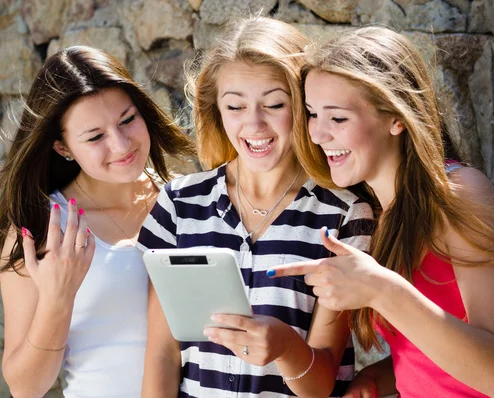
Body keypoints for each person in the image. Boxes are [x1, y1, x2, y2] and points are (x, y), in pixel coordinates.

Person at [269, 27, 494, 397]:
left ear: (396, 118)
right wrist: (378, 377)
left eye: (338, 119)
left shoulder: (458, 193)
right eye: (312, 114)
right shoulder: (376, 212)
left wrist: (381, 289)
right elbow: (436, 351)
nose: (317, 134)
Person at [138, 16, 374, 398]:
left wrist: (285, 348)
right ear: (216, 109)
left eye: (275, 104)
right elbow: (162, 355)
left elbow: (322, 383)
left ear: (302, 106)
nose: (254, 124)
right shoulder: (178, 206)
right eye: (235, 106)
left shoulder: (345, 215)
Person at [0, 46, 195, 397]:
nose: (121, 144)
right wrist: (57, 297)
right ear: (63, 147)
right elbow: (25, 387)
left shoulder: (187, 203)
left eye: (127, 120)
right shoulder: (42, 227)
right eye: (95, 137)